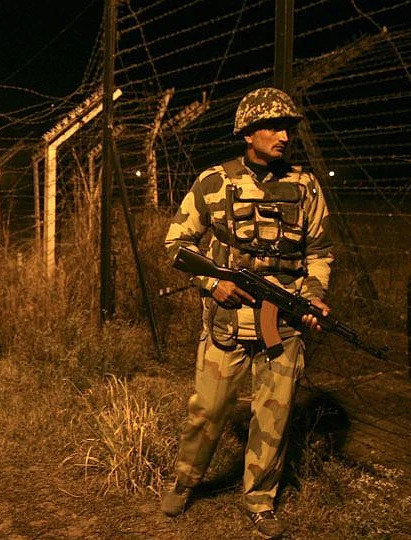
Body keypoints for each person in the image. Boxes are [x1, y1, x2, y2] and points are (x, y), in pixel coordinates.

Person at [160, 87, 335, 539]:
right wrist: (213, 283)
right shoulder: (214, 181)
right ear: (247, 132)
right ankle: (185, 481)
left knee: (274, 414)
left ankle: (260, 499)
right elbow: (177, 244)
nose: (283, 136)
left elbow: (320, 251)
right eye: (274, 127)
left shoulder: (305, 185)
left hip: (285, 322)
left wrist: (314, 296)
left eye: (289, 129)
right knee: (209, 409)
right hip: (226, 321)